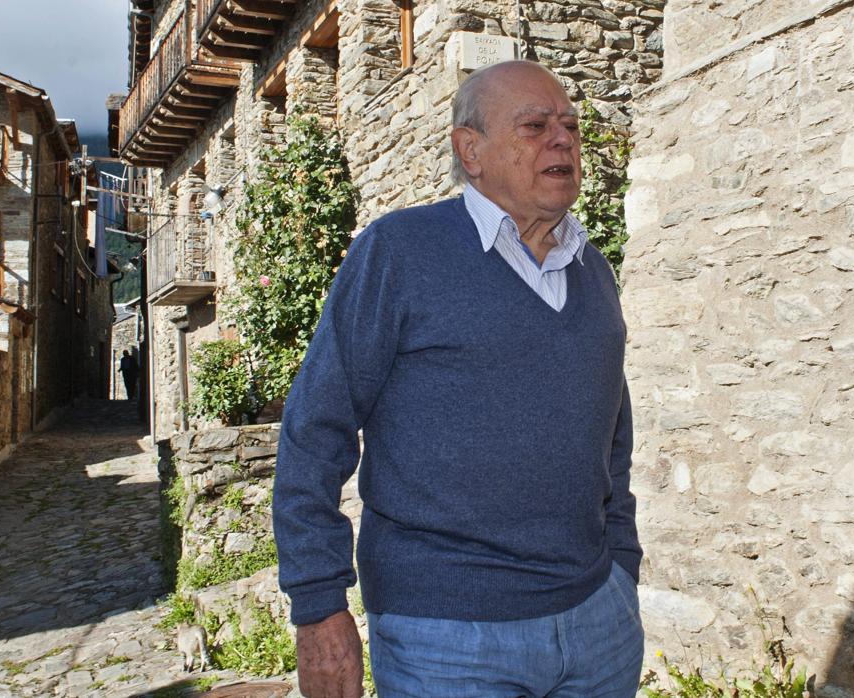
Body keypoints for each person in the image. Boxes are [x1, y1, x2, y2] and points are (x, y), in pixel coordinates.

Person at [273, 60, 643, 698]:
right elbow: (315, 428)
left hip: (596, 626)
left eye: (571, 127)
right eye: (535, 126)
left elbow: (611, 436)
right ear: (470, 150)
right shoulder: (399, 252)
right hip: (445, 638)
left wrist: (622, 572)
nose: (563, 141)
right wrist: (318, 604)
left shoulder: (593, 271)